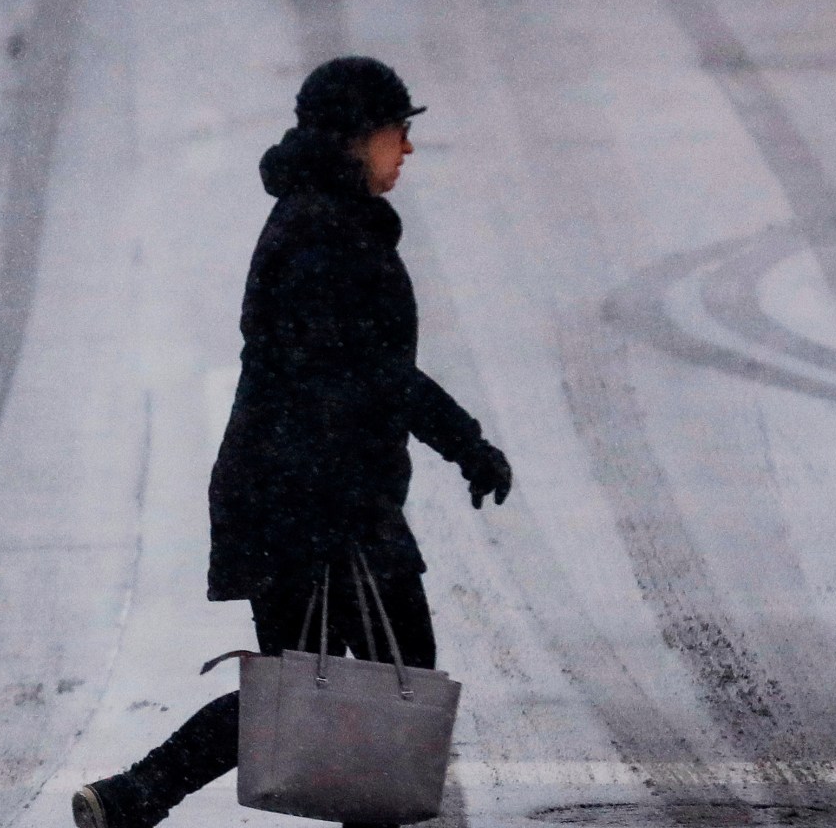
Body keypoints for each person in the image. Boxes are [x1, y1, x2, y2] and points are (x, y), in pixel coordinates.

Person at [74, 57, 514, 828]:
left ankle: (132, 797)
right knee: (385, 687)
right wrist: (466, 443)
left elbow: (365, 371)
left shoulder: (325, 221)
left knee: (313, 690)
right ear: (355, 138)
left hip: (296, 496)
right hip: (316, 502)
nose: (406, 149)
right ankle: (136, 795)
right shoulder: (326, 233)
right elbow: (373, 373)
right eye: (396, 132)